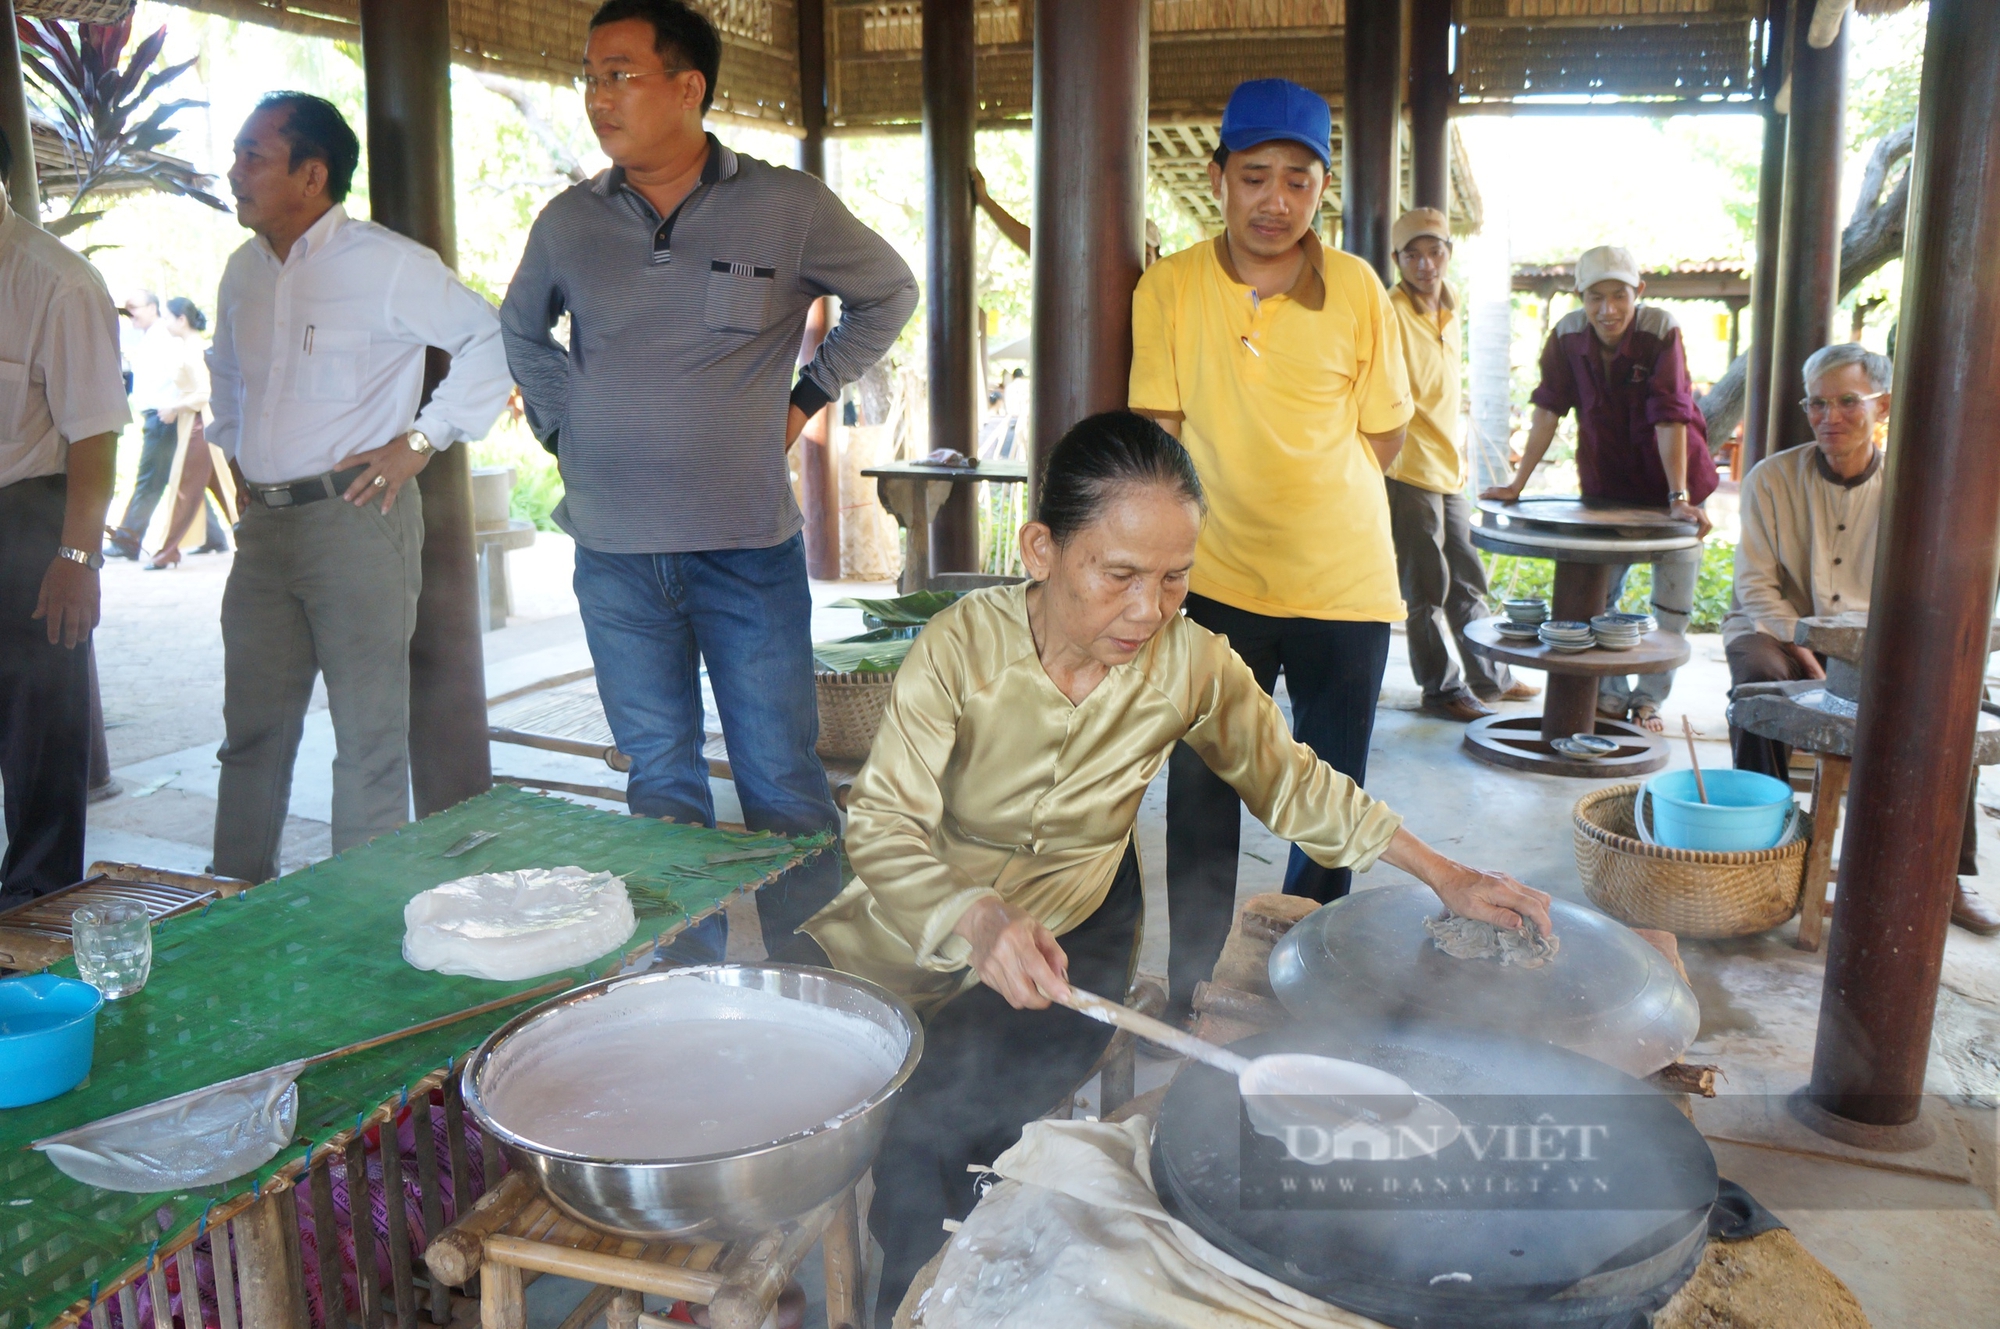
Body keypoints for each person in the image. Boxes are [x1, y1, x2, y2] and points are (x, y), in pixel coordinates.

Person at [800, 411, 1555, 1323]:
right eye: (1118, 575)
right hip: (906, 930)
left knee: (939, 1130)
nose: (1147, 610)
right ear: (1042, 549)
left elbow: (1293, 781)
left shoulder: (1190, 664)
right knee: (824, 1101)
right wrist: (979, 917)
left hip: (1073, 935)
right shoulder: (961, 648)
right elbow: (880, 825)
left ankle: (919, 1303)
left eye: (1174, 578)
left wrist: (1444, 872)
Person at [501, 0, 917, 961]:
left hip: (744, 546)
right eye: (590, 76)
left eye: (620, 74)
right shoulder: (569, 222)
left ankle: (821, 975)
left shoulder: (787, 205)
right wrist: (567, 420)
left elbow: (888, 292)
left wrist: (805, 398)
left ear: (687, 88)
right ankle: (681, 981)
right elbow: (521, 328)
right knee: (659, 778)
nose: (598, 96)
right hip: (612, 551)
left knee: (779, 775)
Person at [1128, 77, 1413, 1023]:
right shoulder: (1169, 288)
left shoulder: (1361, 289)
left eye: (1299, 179)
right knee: (1204, 784)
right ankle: (1189, 985)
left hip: (1345, 586)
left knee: (1329, 796)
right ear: (1218, 179)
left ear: (1321, 189)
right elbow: (1161, 439)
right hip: (1217, 584)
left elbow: (1383, 440)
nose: (1276, 200)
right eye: (1256, 176)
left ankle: (1302, 980)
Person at [207, 93, 511, 883]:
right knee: (251, 734)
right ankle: (231, 901)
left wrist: (422, 439)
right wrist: (238, 457)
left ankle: (361, 922)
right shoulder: (242, 272)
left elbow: (492, 340)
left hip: (357, 517)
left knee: (368, 737)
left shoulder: (385, 264)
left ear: (312, 175)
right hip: (264, 531)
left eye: (252, 156)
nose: (235, 172)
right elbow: (228, 378)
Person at [1722, 344, 1999, 934]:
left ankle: (1947, 878)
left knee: (1954, 703)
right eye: (1817, 403)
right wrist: (1820, 671)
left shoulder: (1920, 488)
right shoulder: (1771, 479)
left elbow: (1935, 597)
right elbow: (1757, 590)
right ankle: (1764, 856)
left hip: (1880, 643)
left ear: (1884, 406)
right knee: (1759, 685)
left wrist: (1860, 667)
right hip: (1779, 629)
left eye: (1848, 401)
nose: (1830, 417)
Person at [1483, 245, 1718, 733]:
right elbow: (1548, 408)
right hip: (1605, 488)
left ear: (1639, 293)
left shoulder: (1660, 329)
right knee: (1599, 600)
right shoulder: (1567, 335)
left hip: (1674, 489)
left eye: (1618, 296)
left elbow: (1670, 415)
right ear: (1580, 297)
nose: (1607, 309)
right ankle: (1609, 698)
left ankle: (1649, 699)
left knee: (1672, 603)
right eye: (1595, 297)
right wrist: (1516, 483)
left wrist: (1678, 498)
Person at [0, 122, 128, 907]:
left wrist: (78, 560)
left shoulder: (57, 282)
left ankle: (36, 904)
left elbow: (96, 435)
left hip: (29, 522)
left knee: (41, 726)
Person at [1382, 207, 1536, 721]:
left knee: (1467, 578)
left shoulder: (1451, 306)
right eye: (1413, 255)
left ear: (1449, 253)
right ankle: (1441, 690)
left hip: (1448, 469)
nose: (1425, 264)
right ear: (1397, 260)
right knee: (1424, 588)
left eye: (1435, 251)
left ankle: (1489, 677)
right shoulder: (1390, 312)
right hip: (1407, 469)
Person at [144, 296, 232, 567]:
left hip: (201, 425)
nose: (166, 323)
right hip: (196, 424)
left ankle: (166, 550)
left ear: (181, 320)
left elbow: (205, 392)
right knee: (221, 485)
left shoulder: (196, 349)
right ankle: (258, 538)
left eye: (169, 318)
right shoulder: (187, 347)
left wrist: (175, 407)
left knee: (185, 486)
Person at [105, 290, 190, 560]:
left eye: (135, 307)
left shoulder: (165, 336)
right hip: (155, 416)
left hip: (164, 417)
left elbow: (185, 371)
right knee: (185, 477)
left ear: (153, 307)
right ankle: (213, 535)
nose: (130, 313)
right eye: (126, 308)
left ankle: (127, 540)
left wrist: (176, 407)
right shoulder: (142, 336)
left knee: (150, 480)